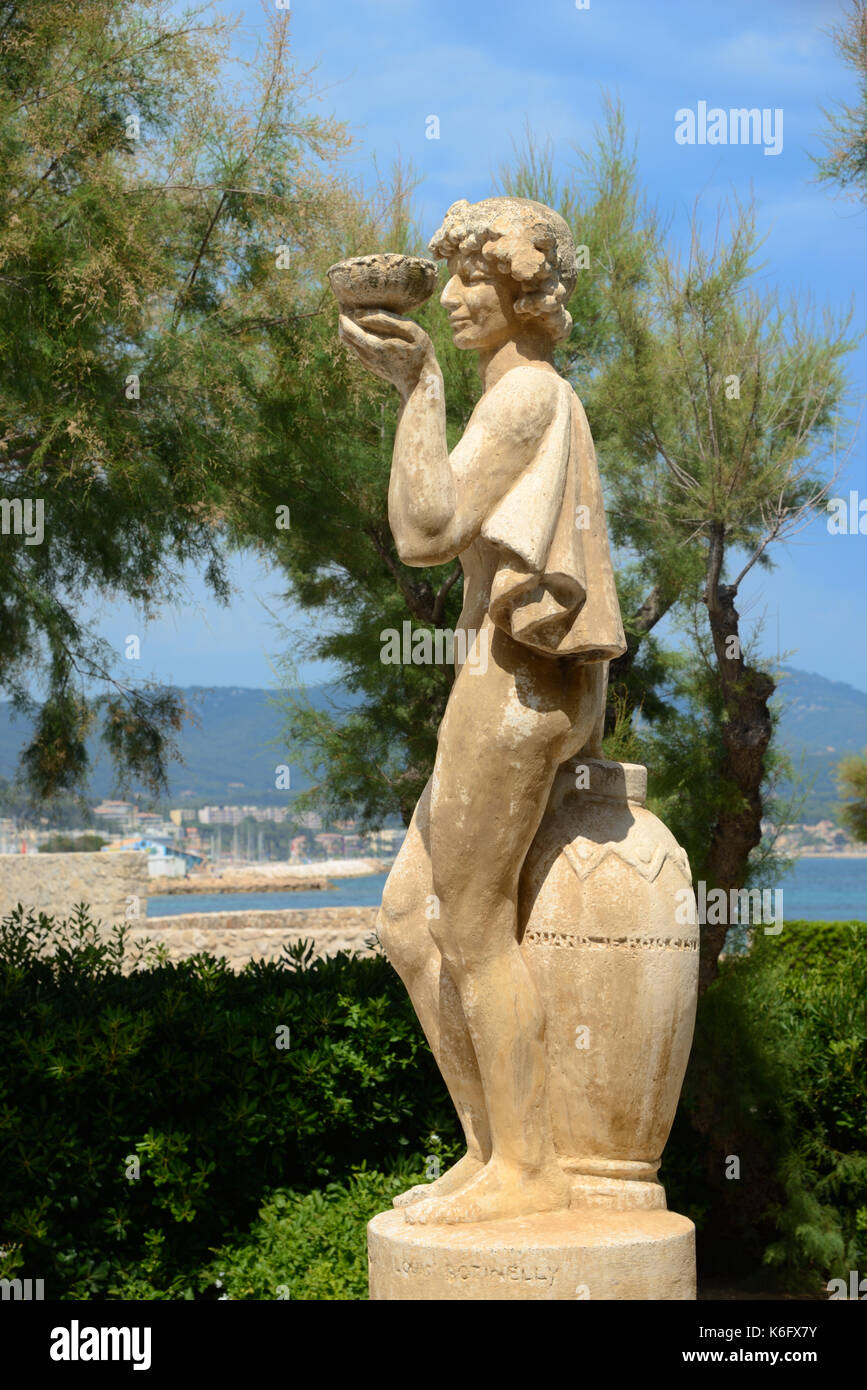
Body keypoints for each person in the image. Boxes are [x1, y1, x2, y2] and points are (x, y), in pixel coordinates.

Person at [338, 197, 626, 1224]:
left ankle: (529, 1167)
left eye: (476, 281)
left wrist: (416, 386)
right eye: (452, 279)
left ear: (522, 295)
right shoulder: (513, 394)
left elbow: (426, 531)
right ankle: (491, 1145)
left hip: (516, 684)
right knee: (406, 923)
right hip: (494, 675)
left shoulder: (526, 396)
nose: (455, 298)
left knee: (468, 922)